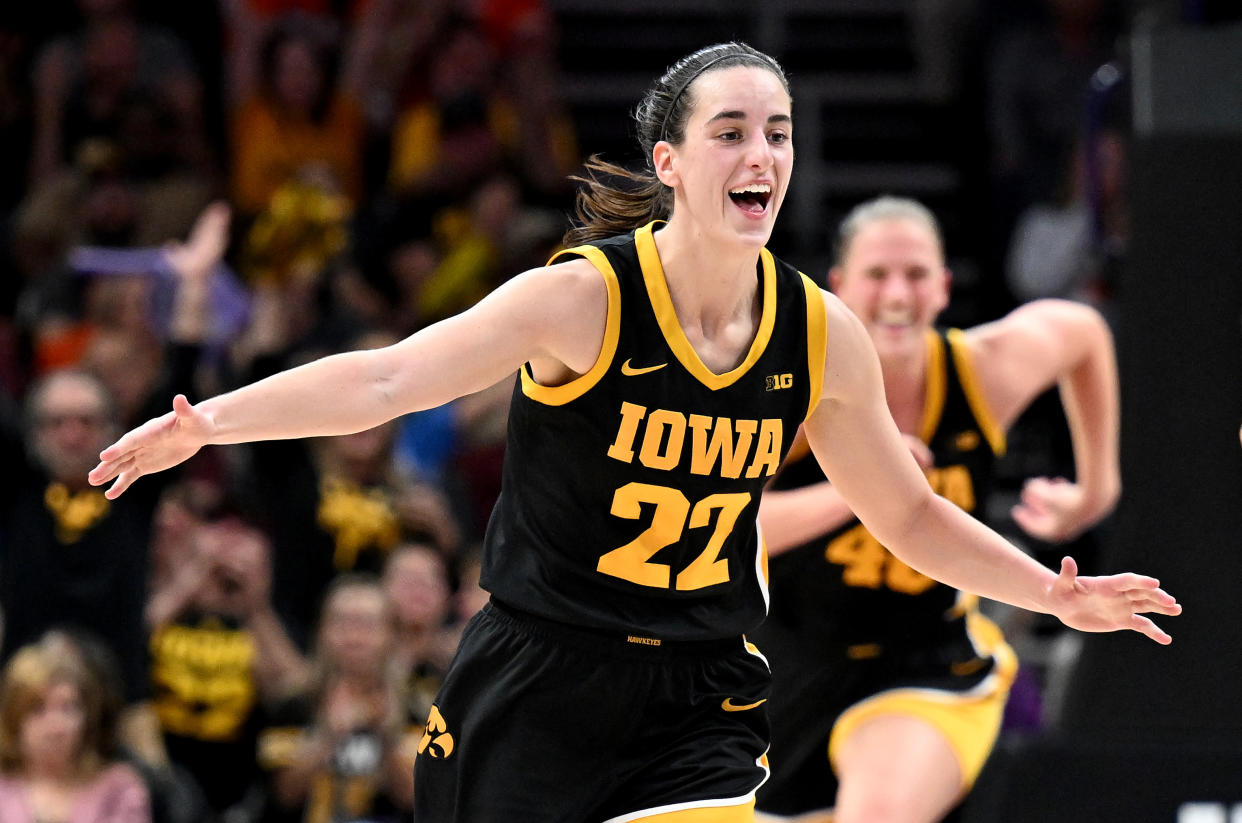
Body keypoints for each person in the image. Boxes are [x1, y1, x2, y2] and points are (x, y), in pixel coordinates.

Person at [89, 42, 1179, 823]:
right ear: (668, 161)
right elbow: (389, 379)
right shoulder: (584, 302)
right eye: (732, 131)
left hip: (697, 685)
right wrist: (211, 422)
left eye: (780, 133)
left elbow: (905, 511)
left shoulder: (818, 331)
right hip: (536, 674)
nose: (763, 152)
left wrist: (1051, 591)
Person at [751, 195, 1125, 823]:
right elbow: (725, 523)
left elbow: (1082, 332)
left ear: (944, 287)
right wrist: (860, 483)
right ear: (838, 288)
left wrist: (1096, 489)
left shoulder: (979, 372)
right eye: (877, 275)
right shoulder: (793, 395)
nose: (898, 293)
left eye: (917, 274)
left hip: (927, 659)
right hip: (786, 662)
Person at [0, 641, 151, 823]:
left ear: (87, 718)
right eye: (37, 709)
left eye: (68, 708)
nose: (56, 727)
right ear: (13, 717)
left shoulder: (119, 789)